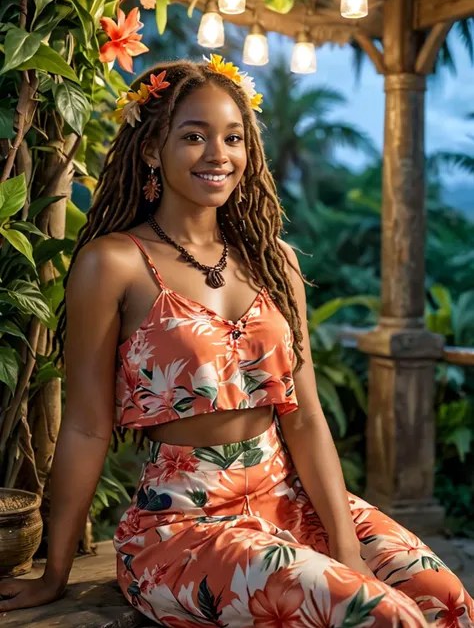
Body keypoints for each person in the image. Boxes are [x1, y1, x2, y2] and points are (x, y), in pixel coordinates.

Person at [0, 57, 472, 628]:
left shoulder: (277, 263)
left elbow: (304, 419)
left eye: (233, 137)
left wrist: (346, 550)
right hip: (183, 524)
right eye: (193, 136)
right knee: (380, 614)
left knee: (443, 598)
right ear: (151, 149)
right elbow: (85, 425)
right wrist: (55, 572)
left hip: (289, 498)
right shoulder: (114, 264)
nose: (217, 154)